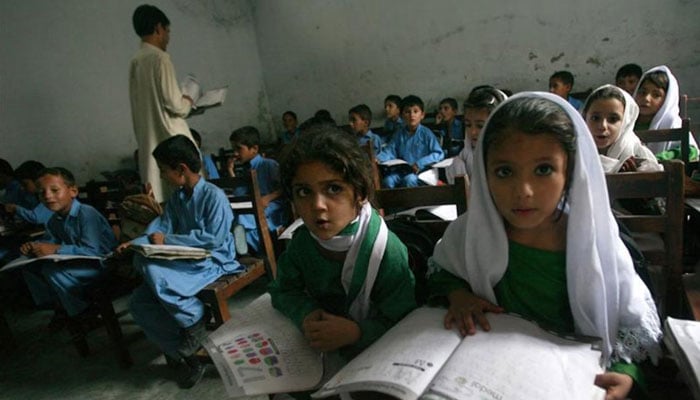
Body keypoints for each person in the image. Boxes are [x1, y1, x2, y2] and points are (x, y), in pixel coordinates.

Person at [427, 93, 662, 399]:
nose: (523, 192)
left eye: (543, 170)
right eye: (504, 172)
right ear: (484, 175)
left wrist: (627, 377)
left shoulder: (595, 243)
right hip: (488, 377)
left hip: (572, 382)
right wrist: (458, 295)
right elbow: (441, 272)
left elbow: (628, 330)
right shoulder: (470, 233)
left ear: (570, 172)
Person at [269, 126, 416, 375]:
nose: (317, 206)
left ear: (359, 193)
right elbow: (283, 290)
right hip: (321, 352)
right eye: (304, 192)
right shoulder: (302, 243)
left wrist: (357, 332)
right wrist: (306, 313)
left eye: (334, 189)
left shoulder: (386, 251)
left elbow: (406, 321)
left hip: (377, 354)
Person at [117, 135, 242, 389]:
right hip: (185, 259)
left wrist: (168, 239)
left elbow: (213, 239)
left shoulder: (213, 196)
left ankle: (194, 321)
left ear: (181, 169)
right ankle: (185, 355)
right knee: (139, 303)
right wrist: (137, 242)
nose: (162, 176)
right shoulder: (177, 199)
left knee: (153, 270)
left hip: (212, 259)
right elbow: (159, 228)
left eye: (163, 171)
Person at [19, 167, 117, 327]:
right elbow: (48, 243)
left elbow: (94, 251)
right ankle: (63, 306)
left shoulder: (86, 213)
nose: (47, 196)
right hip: (79, 265)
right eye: (41, 193)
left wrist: (55, 249)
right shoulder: (54, 220)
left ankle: (83, 313)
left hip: (104, 263)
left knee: (51, 272)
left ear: (73, 191)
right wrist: (34, 247)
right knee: (30, 268)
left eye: (55, 190)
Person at [129, 4, 195, 202]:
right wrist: (188, 101)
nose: (168, 37)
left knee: (161, 195)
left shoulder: (136, 60)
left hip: (149, 137)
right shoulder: (160, 58)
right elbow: (175, 104)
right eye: (167, 31)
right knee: (187, 194)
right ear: (159, 28)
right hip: (170, 136)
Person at [226, 126, 288, 253]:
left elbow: (285, 186)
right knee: (236, 218)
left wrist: (267, 198)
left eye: (239, 148)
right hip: (254, 207)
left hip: (273, 207)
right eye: (234, 149)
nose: (235, 153)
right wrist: (230, 171)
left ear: (254, 149)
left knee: (243, 220)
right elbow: (239, 193)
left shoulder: (269, 164)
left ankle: (246, 251)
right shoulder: (245, 169)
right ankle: (244, 250)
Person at [583, 85, 662, 173]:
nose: (602, 126)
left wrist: (634, 179)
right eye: (595, 118)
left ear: (625, 122)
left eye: (613, 119)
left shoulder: (638, 156)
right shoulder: (576, 153)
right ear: (585, 117)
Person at [376, 95, 445, 188]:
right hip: (403, 171)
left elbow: (438, 153)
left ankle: (413, 203)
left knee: (409, 180)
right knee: (388, 181)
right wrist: (378, 158)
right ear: (402, 116)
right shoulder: (399, 134)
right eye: (407, 112)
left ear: (422, 115)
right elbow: (389, 151)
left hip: (421, 171)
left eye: (415, 111)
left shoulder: (426, 133)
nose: (412, 115)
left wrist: (420, 163)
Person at [633, 65, 698, 160]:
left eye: (656, 95)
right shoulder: (629, 121)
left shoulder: (671, 121)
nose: (646, 98)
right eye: (642, 92)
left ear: (667, 100)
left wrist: (663, 157)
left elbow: (692, 151)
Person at [446, 86, 508, 184]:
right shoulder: (466, 156)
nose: (473, 132)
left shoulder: (511, 158)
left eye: (480, 126)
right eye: (468, 125)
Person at [3, 160, 53, 225]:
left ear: (37, 181)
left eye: (25, 184)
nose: (21, 188)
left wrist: (16, 208)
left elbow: (36, 218)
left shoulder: (50, 197)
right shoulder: (35, 196)